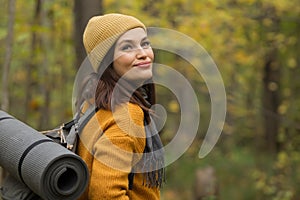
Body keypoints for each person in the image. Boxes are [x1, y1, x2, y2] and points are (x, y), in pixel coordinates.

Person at [75, 13, 165, 199]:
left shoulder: (94, 103)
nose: (143, 54)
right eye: (127, 47)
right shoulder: (125, 116)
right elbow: (106, 195)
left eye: (145, 43)